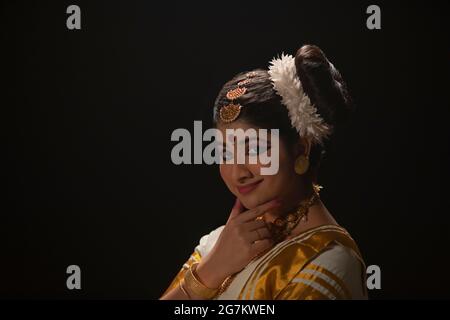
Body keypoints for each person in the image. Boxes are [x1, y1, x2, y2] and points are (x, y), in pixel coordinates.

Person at [161, 44, 367, 300]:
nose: (238, 172)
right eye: (225, 153)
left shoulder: (328, 261)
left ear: (301, 148)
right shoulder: (218, 245)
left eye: (254, 148)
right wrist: (209, 272)